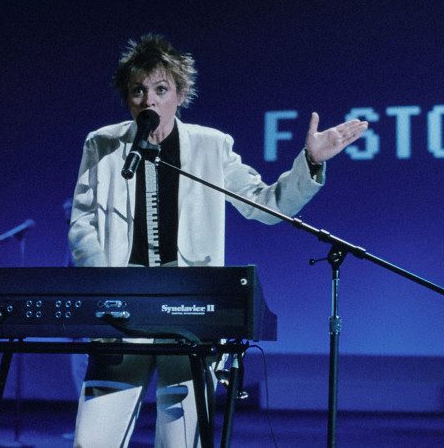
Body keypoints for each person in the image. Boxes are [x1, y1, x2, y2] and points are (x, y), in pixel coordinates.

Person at [68, 33, 368, 447]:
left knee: (180, 439)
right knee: (92, 439)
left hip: (189, 304)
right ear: (127, 98)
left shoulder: (211, 147)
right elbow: (83, 224)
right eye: (138, 91)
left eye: (161, 89)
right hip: (121, 302)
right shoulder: (101, 144)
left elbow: (266, 204)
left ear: (179, 94)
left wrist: (310, 162)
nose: (149, 101)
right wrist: (106, 288)